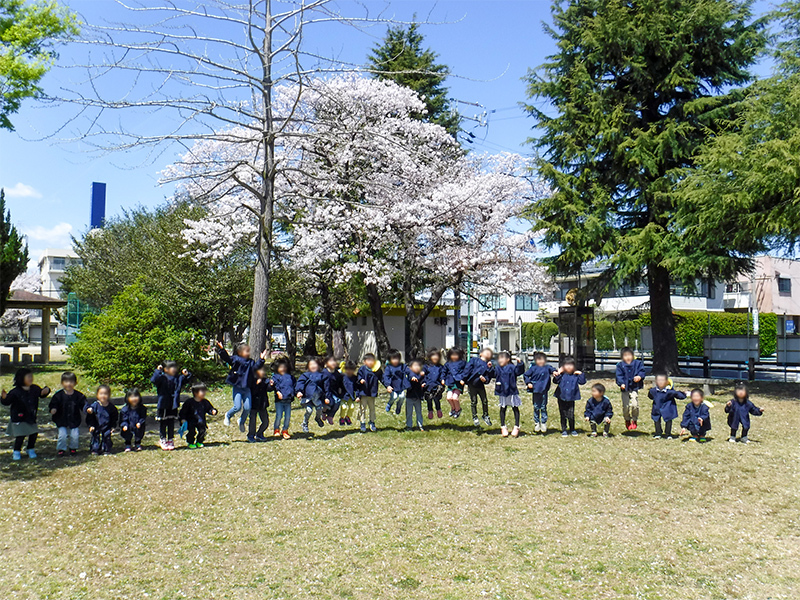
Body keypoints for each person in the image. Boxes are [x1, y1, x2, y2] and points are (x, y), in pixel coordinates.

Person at [215, 341, 268, 433]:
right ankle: (228, 415)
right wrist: (222, 349)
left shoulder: (251, 362)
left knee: (247, 407)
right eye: (246, 351)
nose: (248, 353)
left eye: (249, 351)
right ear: (240, 352)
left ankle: (241, 421)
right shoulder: (236, 359)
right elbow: (227, 358)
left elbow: (255, 367)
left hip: (246, 388)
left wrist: (261, 359)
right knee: (237, 407)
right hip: (238, 387)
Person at [1, 368, 51, 460]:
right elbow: (7, 401)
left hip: (31, 416)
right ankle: (16, 451)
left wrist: (46, 390)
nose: (31, 378)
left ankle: (30, 449)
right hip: (19, 417)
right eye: (28, 377)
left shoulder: (34, 388)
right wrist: (4, 398)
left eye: (31, 376)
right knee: (20, 435)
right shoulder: (15, 391)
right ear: (21, 378)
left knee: (33, 434)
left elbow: (41, 394)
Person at [151, 361, 191, 451]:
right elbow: (153, 380)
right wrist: (157, 370)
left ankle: (170, 439)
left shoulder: (178, 378)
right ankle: (162, 439)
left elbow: (186, 379)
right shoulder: (162, 377)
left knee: (171, 422)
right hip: (163, 404)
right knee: (163, 422)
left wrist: (186, 374)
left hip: (173, 404)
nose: (174, 369)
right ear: (166, 369)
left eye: (175, 367)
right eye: (171, 367)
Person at [48, 371, 87, 457]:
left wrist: (87, 409)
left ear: (75, 383)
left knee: (75, 435)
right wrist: (53, 409)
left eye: (71, 382)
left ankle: (73, 448)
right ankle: (61, 449)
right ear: (62, 383)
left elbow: (84, 404)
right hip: (61, 418)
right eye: (66, 381)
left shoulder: (79, 395)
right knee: (62, 435)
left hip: (74, 419)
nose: (68, 384)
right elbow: (53, 404)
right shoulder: (58, 395)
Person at [492, 351, 525, 438]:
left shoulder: (512, 367)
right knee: (503, 408)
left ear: (507, 359)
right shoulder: (498, 368)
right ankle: (503, 426)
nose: (500, 360)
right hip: (502, 390)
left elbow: (519, 372)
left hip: (511, 390)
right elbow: (493, 374)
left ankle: (516, 426)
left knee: (515, 408)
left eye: (502, 358)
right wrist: (489, 368)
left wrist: (520, 364)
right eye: (499, 358)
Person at [553, 357, 586, 437]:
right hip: (561, 397)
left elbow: (582, 382)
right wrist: (558, 373)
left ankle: (572, 429)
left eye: (571, 365)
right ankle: (564, 429)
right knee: (563, 414)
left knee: (571, 415)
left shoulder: (575, 376)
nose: (568, 367)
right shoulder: (561, 375)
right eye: (566, 365)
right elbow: (555, 381)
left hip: (571, 398)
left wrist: (580, 374)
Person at [523, 352, 556, 433]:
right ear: (535, 360)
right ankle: (537, 422)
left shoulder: (547, 367)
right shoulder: (533, 368)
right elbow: (526, 375)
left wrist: (554, 372)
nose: (541, 361)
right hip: (536, 390)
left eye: (542, 360)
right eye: (538, 360)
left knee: (543, 407)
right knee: (536, 407)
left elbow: (553, 370)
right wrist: (528, 383)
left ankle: (543, 422)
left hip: (544, 390)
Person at [615, 347, 646, 430]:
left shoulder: (637, 364)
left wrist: (639, 377)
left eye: (629, 355)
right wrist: (621, 383)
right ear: (622, 357)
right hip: (625, 389)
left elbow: (642, 371)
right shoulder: (620, 365)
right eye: (625, 355)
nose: (627, 357)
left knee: (635, 404)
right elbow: (619, 376)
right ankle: (627, 419)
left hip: (634, 388)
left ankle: (634, 419)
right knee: (626, 406)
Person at [648, 373, 687, 440]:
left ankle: (668, 433)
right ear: (656, 382)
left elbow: (678, 395)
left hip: (668, 408)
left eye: (662, 380)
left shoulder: (670, 391)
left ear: (666, 382)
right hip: (657, 408)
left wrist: (684, 394)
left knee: (668, 421)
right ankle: (658, 433)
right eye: (659, 380)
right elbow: (650, 396)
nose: (660, 382)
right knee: (656, 420)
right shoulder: (653, 391)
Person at [179, 383, 218, 448]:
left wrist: (213, 411)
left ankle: (199, 441)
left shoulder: (205, 402)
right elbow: (183, 412)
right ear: (195, 392)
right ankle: (191, 442)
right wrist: (183, 419)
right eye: (202, 391)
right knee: (192, 432)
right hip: (191, 421)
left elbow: (209, 409)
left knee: (202, 431)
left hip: (201, 421)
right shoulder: (189, 402)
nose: (204, 392)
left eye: (204, 390)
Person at [463, 348, 494, 428]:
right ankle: (475, 416)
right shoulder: (474, 360)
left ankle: (485, 415)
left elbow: (489, 375)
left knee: (484, 401)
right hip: (472, 384)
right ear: (480, 354)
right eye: (486, 352)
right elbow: (467, 369)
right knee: (474, 401)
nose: (488, 353)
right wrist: (463, 379)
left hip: (480, 385)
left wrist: (485, 379)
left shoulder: (488, 365)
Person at [85, 385, 118, 456]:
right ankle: (95, 450)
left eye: (105, 394)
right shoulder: (95, 405)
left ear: (109, 395)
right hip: (96, 425)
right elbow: (90, 416)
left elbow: (114, 417)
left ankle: (106, 450)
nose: (103, 396)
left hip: (107, 426)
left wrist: (113, 426)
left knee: (107, 437)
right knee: (95, 437)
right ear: (97, 395)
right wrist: (91, 425)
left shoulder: (111, 407)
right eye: (101, 394)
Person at [296, 358, 326, 433]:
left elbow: (326, 386)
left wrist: (326, 396)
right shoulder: (305, 375)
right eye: (311, 364)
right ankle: (305, 423)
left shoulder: (322, 376)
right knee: (309, 410)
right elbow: (300, 383)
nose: (313, 366)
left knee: (319, 409)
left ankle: (318, 418)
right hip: (308, 398)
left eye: (315, 364)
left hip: (317, 397)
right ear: (308, 366)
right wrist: (299, 391)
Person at [268, 357, 295, 439]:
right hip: (279, 401)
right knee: (279, 416)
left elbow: (294, 386)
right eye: (281, 367)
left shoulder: (290, 377)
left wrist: (297, 393)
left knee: (287, 417)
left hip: (288, 400)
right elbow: (272, 387)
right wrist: (272, 386)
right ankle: (276, 429)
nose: (283, 369)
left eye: (284, 367)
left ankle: (285, 430)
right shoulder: (275, 377)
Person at [357, 353, 381, 433]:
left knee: (372, 408)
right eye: (368, 360)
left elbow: (382, 378)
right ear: (364, 362)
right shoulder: (362, 369)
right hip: (363, 392)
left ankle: (372, 421)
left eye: (372, 360)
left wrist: (387, 386)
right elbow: (358, 376)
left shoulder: (376, 370)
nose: (370, 362)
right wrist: (360, 380)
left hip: (372, 392)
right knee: (362, 408)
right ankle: (362, 422)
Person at [442, 347, 467, 418]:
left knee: (455, 398)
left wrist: (463, 379)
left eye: (456, 355)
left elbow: (466, 372)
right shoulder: (448, 363)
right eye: (452, 355)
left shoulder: (463, 363)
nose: (454, 357)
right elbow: (444, 372)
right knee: (449, 398)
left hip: (458, 383)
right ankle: (453, 409)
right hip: (450, 382)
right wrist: (443, 379)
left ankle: (458, 410)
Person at [248, 365, 271, 442]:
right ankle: (251, 435)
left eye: (263, 371)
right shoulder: (251, 380)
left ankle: (260, 433)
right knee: (252, 421)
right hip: (253, 404)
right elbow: (252, 392)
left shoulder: (265, 380)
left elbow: (269, 389)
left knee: (265, 421)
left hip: (262, 404)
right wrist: (257, 384)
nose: (262, 372)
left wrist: (271, 385)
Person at [382, 349, 408, 416]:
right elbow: (386, 376)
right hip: (392, 387)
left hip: (401, 386)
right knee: (394, 397)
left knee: (402, 397)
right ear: (390, 359)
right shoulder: (389, 367)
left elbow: (408, 371)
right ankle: (389, 404)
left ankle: (399, 406)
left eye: (397, 358)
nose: (395, 360)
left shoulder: (402, 366)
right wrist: (388, 385)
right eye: (393, 359)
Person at [423, 348, 445, 420]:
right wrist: (423, 382)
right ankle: (430, 411)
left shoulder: (440, 367)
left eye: (436, 356)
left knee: (436, 399)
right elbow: (424, 375)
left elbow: (442, 374)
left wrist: (442, 380)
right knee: (429, 399)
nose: (435, 358)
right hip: (428, 386)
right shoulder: (427, 366)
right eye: (433, 356)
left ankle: (438, 409)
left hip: (437, 385)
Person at [322, 356, 344, 425]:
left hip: (334, 392)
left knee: (337, 402)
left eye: (334, 361)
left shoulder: (337, 373)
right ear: (326, 363)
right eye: (331, 361)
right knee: (330, 403)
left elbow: (341, 382)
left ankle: (330, 416)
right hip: (324, 392)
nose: (333, 363)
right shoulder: (324, 372)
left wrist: (340, 389)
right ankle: (323, 412)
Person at [405, 359, 426, 431]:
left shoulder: (421, 375)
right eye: (415, 366)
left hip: (418, 397)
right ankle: (409, 425)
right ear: (410, 367)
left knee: (419, 412)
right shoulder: (409, 374)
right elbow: (410, 377)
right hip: (409, 397)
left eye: (418, 366)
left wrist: (423, 383)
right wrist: (413, 377)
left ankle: (420, 425)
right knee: (409, 412)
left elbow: (423, 380)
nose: (417, 367)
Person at [340, 361, 360, 427]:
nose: (349, 371)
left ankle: (347, 417)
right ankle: (342, 418)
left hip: (350, 396)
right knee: (344, 407)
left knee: (352, 407)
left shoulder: (354, 378)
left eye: (351, 370)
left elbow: (356, 388)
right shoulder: (342, 377)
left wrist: (357, 396)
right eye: (348, 369)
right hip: (343, 396)